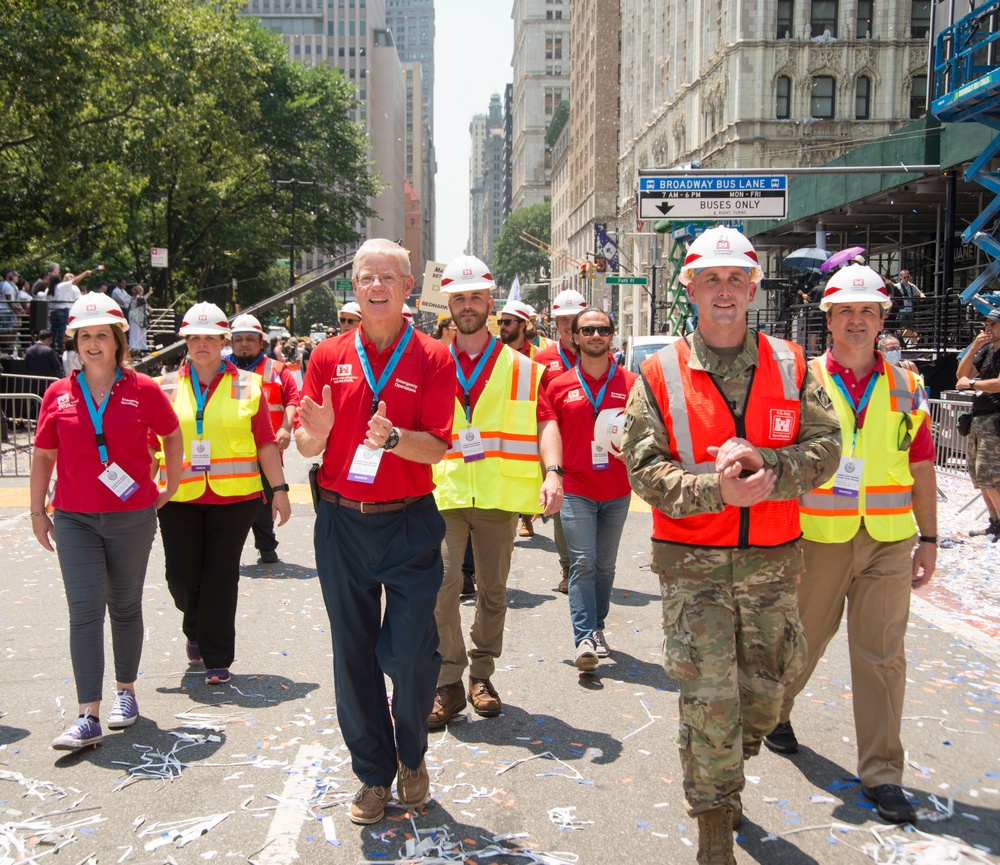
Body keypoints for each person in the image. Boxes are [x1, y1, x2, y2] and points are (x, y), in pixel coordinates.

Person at [620, 227, 841, 864]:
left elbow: (826, 448)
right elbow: (644, 469)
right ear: (689, 288)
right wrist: (719, 493)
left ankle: (727, 769)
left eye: (735, 278)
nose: (724, 290)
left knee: (765, 696)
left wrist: (771, 468)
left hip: (773, 563)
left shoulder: (793, 364)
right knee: (708, 693)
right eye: (710, 279)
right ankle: (714, 816)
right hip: (693, 570)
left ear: (753, 286)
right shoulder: (659, 371)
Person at [766, 264, 937, 827]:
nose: (857, 320)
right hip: (819, 537)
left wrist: (929, 538)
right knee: (805, 641)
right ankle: (778, 713)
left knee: (882, 657)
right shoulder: (801, 381)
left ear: (882, 317)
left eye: (867, 311)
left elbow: (921, 465)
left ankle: (884, 773)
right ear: (829, 318)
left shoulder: (909, 385)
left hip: (889, 540)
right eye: (846, 311)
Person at [294, 238, 455, 825]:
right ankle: (373, 775)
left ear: (408, 287)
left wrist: (391, 439)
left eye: (389, 276)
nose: (377, 286)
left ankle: (411, 755)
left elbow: (437, 446)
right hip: (341, 522)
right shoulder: (326, 355)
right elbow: (307, 442)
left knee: (409, 654)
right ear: (354, 288)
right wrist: (320, 430)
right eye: (366, 277)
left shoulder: (433, 357)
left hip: (409, 522)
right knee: (353, 655)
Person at [29, 293, 183, 749]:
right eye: (84, 336)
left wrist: (169, 487)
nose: (93, 344)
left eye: (102, 335)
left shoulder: (145, 389)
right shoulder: (58, 394)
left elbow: (173, 438)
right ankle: (87, 714)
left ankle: (126, 692)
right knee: (84, 612)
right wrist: (38, 511)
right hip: (74, 518)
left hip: (132, 517)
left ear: (117, 340)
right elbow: (42, 456)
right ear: (74, 341)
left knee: (124, 605)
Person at [428, 254, 563, 730]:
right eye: (459, 298)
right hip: (443, 491)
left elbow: (546, 420)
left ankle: (481, 675)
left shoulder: (524, 368)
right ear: (449, 304)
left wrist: (554, 472)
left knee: (493, 591)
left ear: (491, 302)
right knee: (441, 587)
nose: (468, 305)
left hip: (499, 496)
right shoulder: (430, 361)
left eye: (476, 297)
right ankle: (448, 680)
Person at [153, 302, 291, 687]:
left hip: (235, 498)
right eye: (194, 337)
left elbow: (265, 443)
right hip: (177, 497)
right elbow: (151, 444)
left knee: (220, 576)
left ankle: (217, 656)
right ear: (185, 341)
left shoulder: (248, 385)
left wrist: (279, 490)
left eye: (209, 337)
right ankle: (194, 626)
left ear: (222, 341)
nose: (201, 344)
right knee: (180, 577)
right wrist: (145, 489)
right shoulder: (164, 386)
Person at [547, 308, 636, 670]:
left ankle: (598, 626)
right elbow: (547, 432)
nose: (596, 335)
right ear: (575, 337)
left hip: (618, 490)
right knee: (583, 562)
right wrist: (552, 474)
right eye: (588, 330)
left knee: (605, 566)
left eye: (602, 329)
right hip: (577, 489)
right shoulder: (558, 386)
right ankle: (583, 636)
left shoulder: (632, 384)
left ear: (612, 335)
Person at [230, 313, 301, 564]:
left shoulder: (277, 369)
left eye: (250, 339)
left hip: (266, 449)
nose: (244, 344)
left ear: (261, 343)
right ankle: (227, 551)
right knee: (231, 504)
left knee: (264, 501)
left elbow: (292, 399)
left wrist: (286, 427)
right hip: (230, 451)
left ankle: (266, 546)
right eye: (239, 339)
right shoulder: (220, 369)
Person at [532, 289, 589, 584]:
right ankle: (568, 567)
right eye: (562, 320)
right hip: (556, 449)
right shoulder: (542, 359)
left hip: (590, 446)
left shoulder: (595, 351)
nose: (567, 325)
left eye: (572, 319)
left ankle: (588, 565)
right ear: (554, 324)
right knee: (561, 510)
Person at [955, 308, 1000, 538]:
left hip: (995, 419)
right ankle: (994, 523)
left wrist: (972, 385)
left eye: (993, 324)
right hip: (979, 418)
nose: (988, 328)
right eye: (987, 324)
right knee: (979, 475)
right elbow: (961, 373)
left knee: (990, 474)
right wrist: (974, 346)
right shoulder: (988, 350)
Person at [50, 270, 94, 353]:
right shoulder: (61, 286)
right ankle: (60, 348)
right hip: (62, 311)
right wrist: (84, 273)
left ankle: (52, 347)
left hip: (53, 312)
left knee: (54, 331)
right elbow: (74, 281)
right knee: (62, 331)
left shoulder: (50, 289)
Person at [127, 284, 153, 353]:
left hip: (142, 319)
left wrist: (148, 313)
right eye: (141, 290)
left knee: (142, 335)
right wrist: (149, 293)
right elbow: (142, 300)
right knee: (135, 334)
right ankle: (134, 348)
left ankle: (143, 348)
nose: (143, 291)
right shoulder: (135, 298)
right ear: (139, 291)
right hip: (135, 319)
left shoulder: (141, 299)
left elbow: (149, 309)